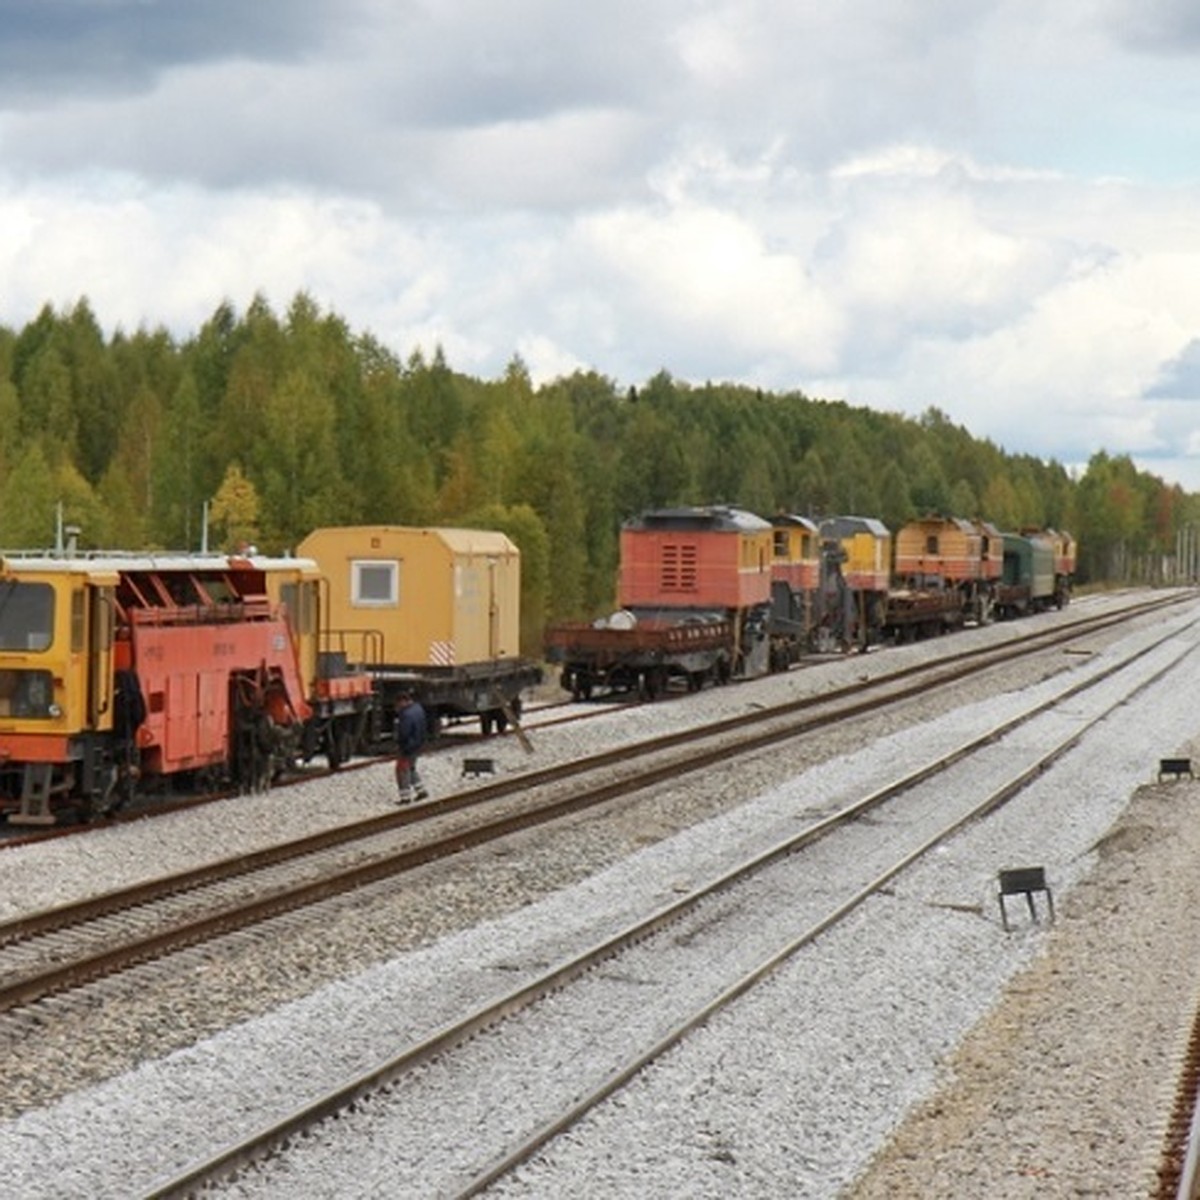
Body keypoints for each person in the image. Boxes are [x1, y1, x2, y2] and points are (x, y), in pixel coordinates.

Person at [394, 691, 428, 803]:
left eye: (399, 704)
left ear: (403, 701)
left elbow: (404, 733)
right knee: (411, 767)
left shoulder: (406, 714)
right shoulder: (418, 709)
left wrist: (400, 745)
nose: (398, 707)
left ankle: (405, 797)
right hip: (417, 744)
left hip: (408, 746)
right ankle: (421, 791)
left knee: (402, 770)